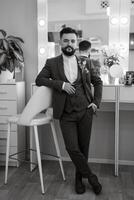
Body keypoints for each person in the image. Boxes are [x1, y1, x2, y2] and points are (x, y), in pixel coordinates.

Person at [35, 27, 103, 195]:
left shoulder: (86, 61)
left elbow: (98, 82)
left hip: (85, 110)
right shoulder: (51, 63)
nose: (69, 44)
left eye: (73, 41)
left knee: (83, 148)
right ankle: (92, 177)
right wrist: (61, 85)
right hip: (66, 113)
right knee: (72, 148)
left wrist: (96, 103)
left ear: (76, 42)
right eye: (66, 40)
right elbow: (39, 79)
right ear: (60, 42)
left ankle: (79, 179)